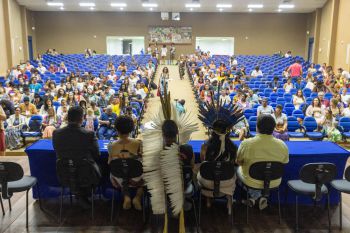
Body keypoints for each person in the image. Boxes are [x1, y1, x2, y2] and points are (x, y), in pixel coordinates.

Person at [236, 114, 289, 209]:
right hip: (274, 182)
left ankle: (254, 196)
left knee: (236, 169)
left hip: (251, 181)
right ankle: (261, 197)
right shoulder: (282, 145)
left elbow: (238, 162)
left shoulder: (246, 144)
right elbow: (284, 162)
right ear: (274, 128)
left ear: (257, 127)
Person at [53, 106, 101, 208]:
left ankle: (79, 194)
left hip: (64, 173)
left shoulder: (56, 133)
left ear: (67, 118)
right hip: (87, 174)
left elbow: (57, 151)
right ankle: (83, 195)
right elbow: (97, 154)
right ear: (82, 119)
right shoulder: (89, 134)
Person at [108, 116, 143, 210]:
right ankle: (137, 197)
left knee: (124, 176)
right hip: (136, 179)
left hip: (117, 179)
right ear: (132, 128)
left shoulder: (111, 146)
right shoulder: (139, 143)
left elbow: (109, 162)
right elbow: (143, 159)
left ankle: (126, 197)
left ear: (116, 129)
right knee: (146, 178)